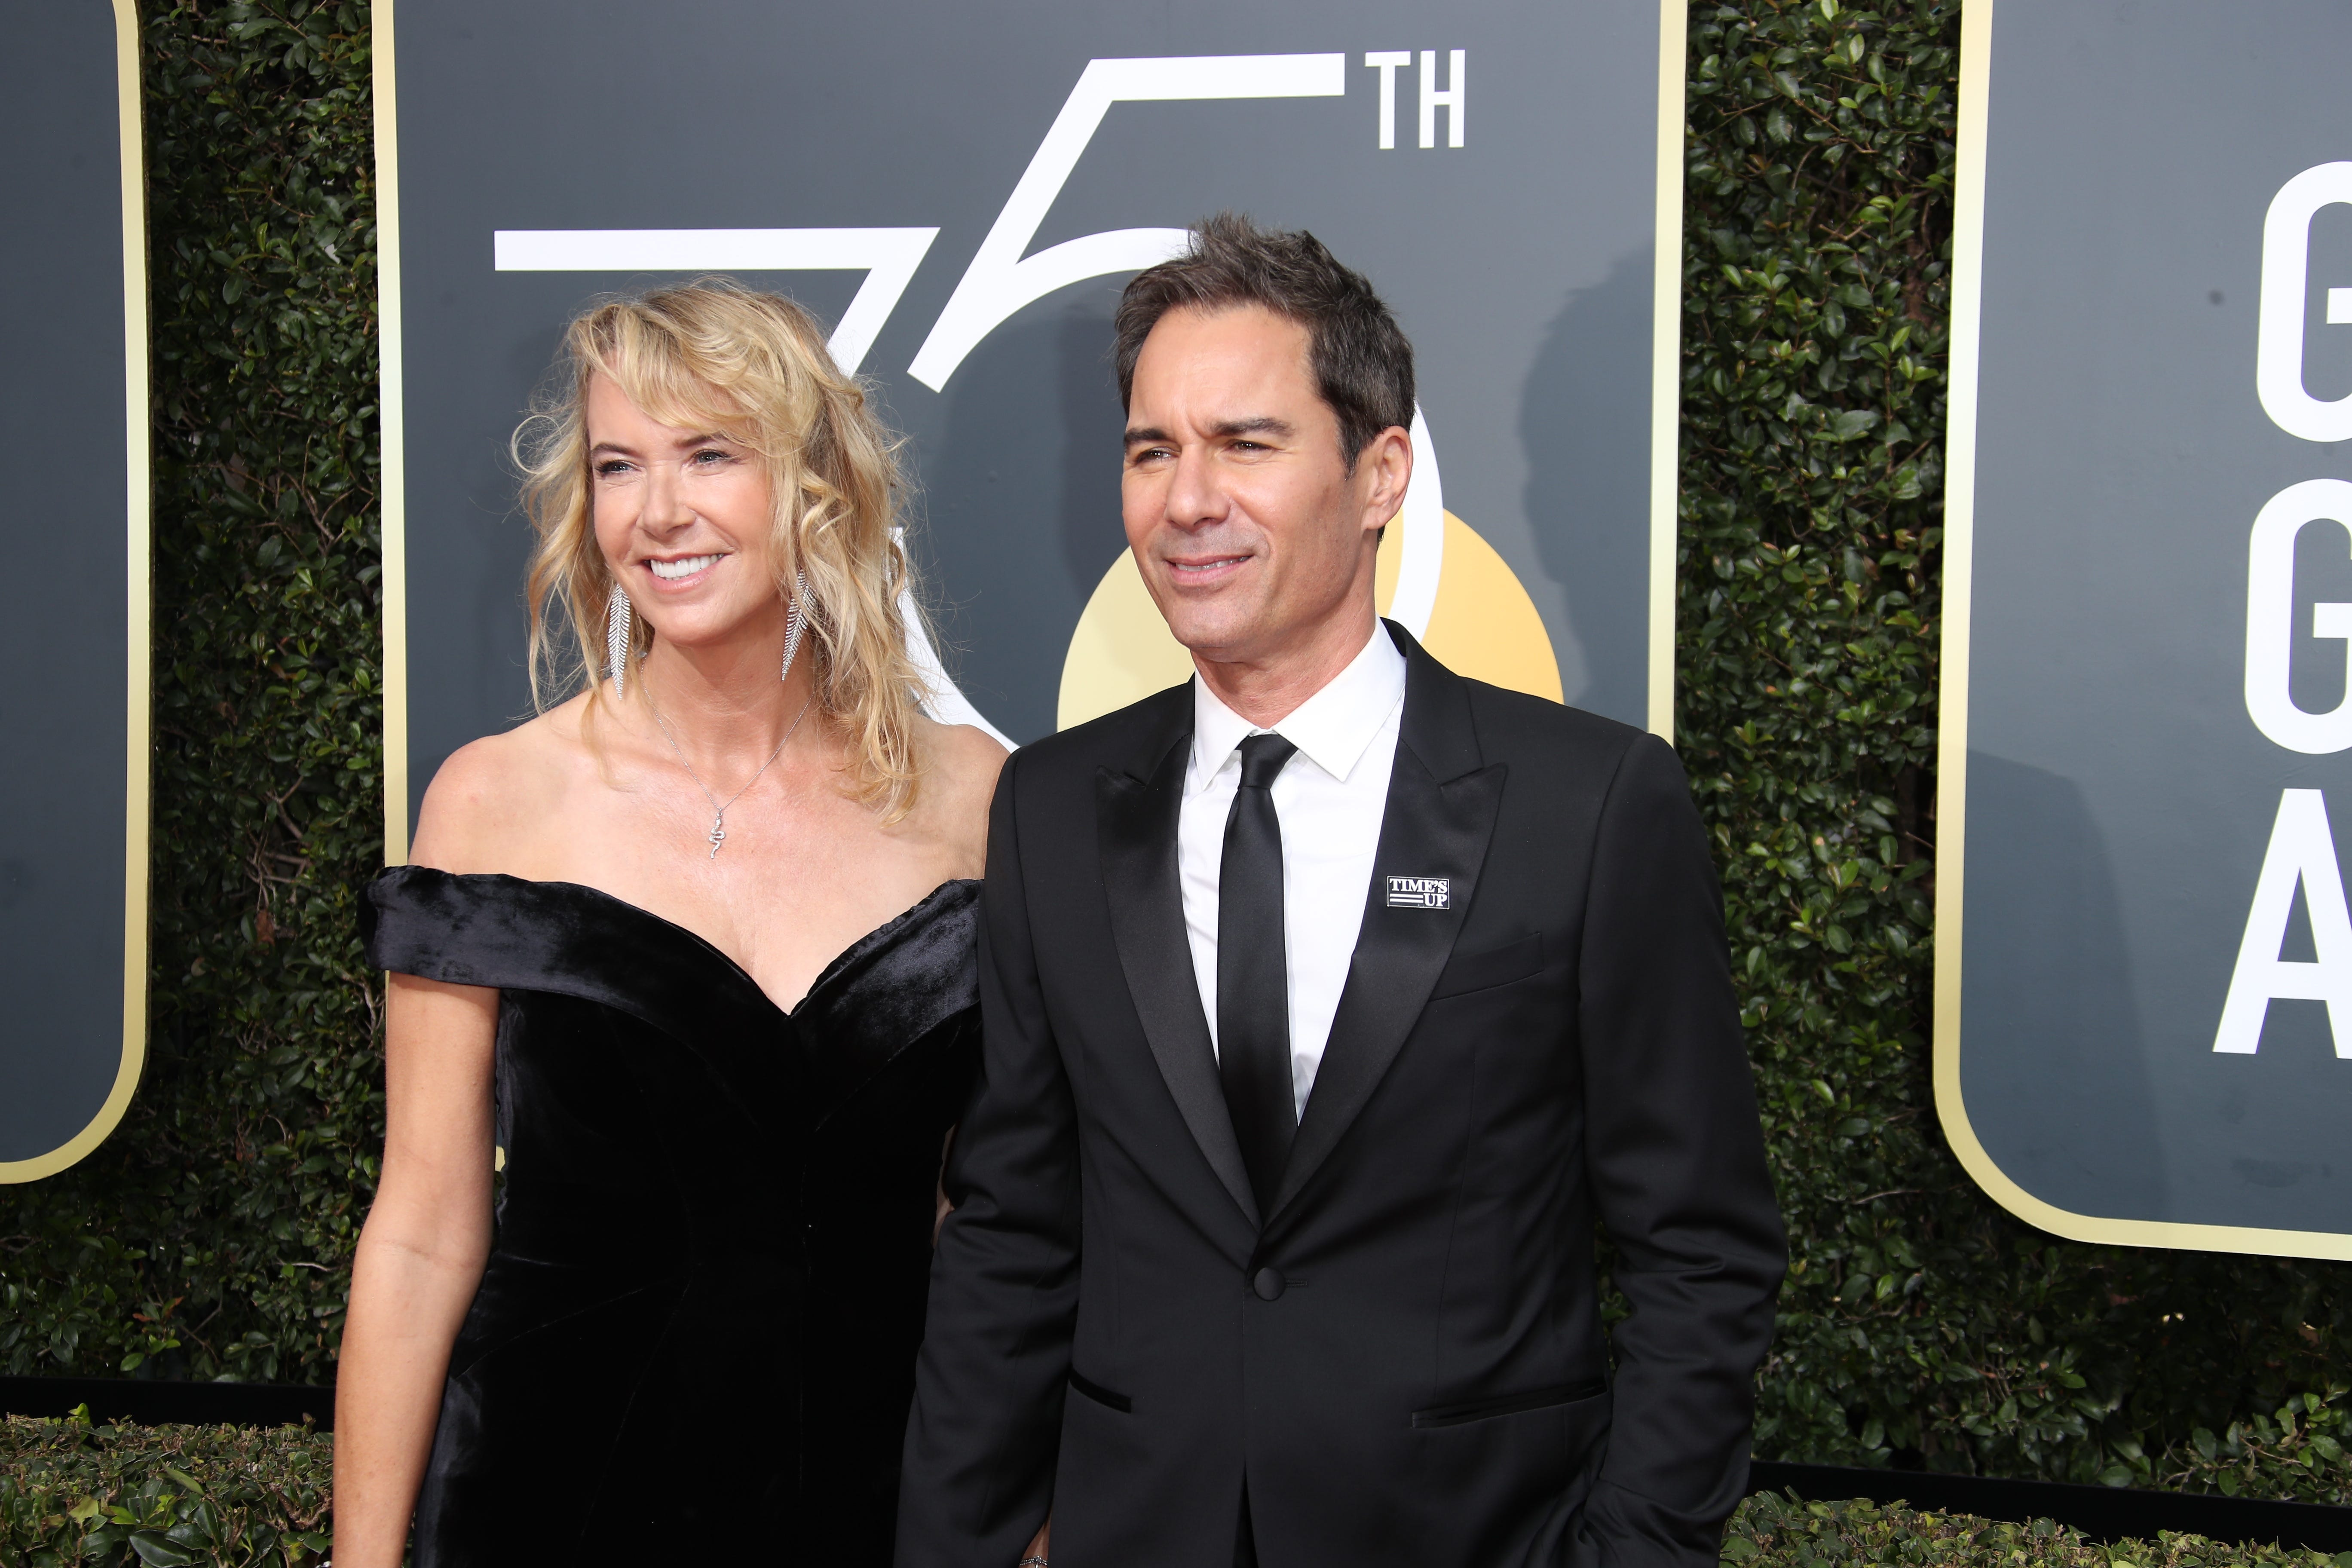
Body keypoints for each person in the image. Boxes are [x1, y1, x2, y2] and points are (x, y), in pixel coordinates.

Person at [897, 215, 1787, 1568]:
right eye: (1152, 451)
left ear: (1381, 475)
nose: (1187, 500)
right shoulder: (1057, 808)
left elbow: (1701, 1249)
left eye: (1247, 443)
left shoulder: (1590, 806)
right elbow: (1017, 1225)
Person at [334, 281, 1006, 1567]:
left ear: (816, 483)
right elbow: (423, 1227)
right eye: (618, 466)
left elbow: (984, 1217)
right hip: (548, 1497)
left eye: (711, 454)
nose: (658, 513)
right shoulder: (495, 802)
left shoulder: (974, 798)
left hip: (877, 1493)